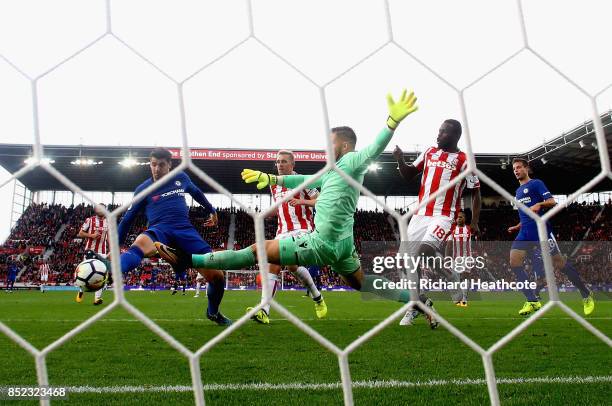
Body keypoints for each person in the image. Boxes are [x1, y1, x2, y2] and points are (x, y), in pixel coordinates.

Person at [156, 89, 421, 313]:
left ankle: (190, 260)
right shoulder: (334, 170)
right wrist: (271, 179)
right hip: (343, 244)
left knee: (258, 250)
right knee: (361, 283)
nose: (326, 147)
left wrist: (391, 123)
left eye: (331, 142)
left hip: (324, 242)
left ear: (343, 144)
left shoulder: (352, 161)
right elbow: (302, 180)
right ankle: (415, 300)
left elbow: (373, 149)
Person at [117, 148, 231, 325]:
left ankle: (213, 312)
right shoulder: (143, 189)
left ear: (169, 165)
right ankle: (113, 269)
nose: (156, 169)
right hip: (160, 231)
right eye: (153, 165)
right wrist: (116, 247)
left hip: (185, 231)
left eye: (161, 165)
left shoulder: (181, 178)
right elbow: (126, 221)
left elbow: (196, 192)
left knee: (217, 277)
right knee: (139, 243)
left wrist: (212, 210)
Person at [393, 119, 481, 327]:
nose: (438, 135)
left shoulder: (464, 160)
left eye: (443, 132)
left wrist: (474, 222)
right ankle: (419, 304)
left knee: (423, 252)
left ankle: (451, 274)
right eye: (439, 131)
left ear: (454, 136)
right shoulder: (430, 152)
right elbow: (407, 174)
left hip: (445, 215)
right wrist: (400, 160)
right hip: (421, 214)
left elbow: (476, 192)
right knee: (406, 260)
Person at [247, 149, 327, 324]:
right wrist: (262, 214)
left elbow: (320, 201)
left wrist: (302, 201)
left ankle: (263, 309)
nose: (279, 165)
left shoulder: (305, 181)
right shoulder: (274, 184)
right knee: (290, 267)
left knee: (274, 264)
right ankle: (317, 297)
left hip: (302, 230)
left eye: (284, 161)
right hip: (281, 231)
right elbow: (279, 208)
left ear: (292, 165)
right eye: (277, 162)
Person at [507, 158, 594, 316]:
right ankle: (532, 301)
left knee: (561, 265)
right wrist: (518, 226)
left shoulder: (536, 183)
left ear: (527, 169)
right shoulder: (518, 192)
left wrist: (540, 204)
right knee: (514, 261)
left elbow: (552, 201)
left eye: (519, 167)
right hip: (525, 232)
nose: (516, 170)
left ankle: (586, 294)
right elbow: (526, 213)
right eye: (514, 169)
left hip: (541, 231)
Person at [77, 204, 110, 305]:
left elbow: (109, 237)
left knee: (101, 275)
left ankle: (97, 299)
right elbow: (80, 233)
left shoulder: (108, 221)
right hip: (90, 251)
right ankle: (81, 291)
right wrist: (92, 235)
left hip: (102, 252)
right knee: (84, 274)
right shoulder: (89, 220)